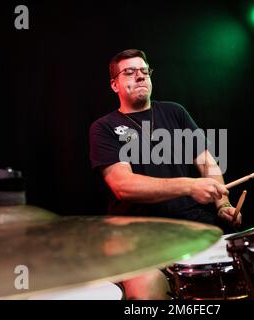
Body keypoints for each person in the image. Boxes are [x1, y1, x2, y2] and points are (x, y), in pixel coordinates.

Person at [89, 49, 242, 299]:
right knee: (146, 287)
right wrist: (189, 186)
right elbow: (123, 185)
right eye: (129, 72)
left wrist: (222, 203)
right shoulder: (104, 127)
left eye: (144, 71)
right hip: (139, 237)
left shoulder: (174, 112)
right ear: (114, 84)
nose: (140, 77)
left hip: (194, 227)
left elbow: (207, 162)